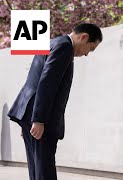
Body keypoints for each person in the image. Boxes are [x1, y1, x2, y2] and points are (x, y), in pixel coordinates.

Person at [7, 23, 102, 180]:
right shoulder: (64, 48)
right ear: (83, 37)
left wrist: (30, 119)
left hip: (29, 113)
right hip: (41, 119)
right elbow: (47, 83)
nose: (86, 54)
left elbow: (36, 79)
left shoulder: (52, 43)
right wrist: (37, 119)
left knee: (37, 168)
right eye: (90, 49)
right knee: (44, 170)